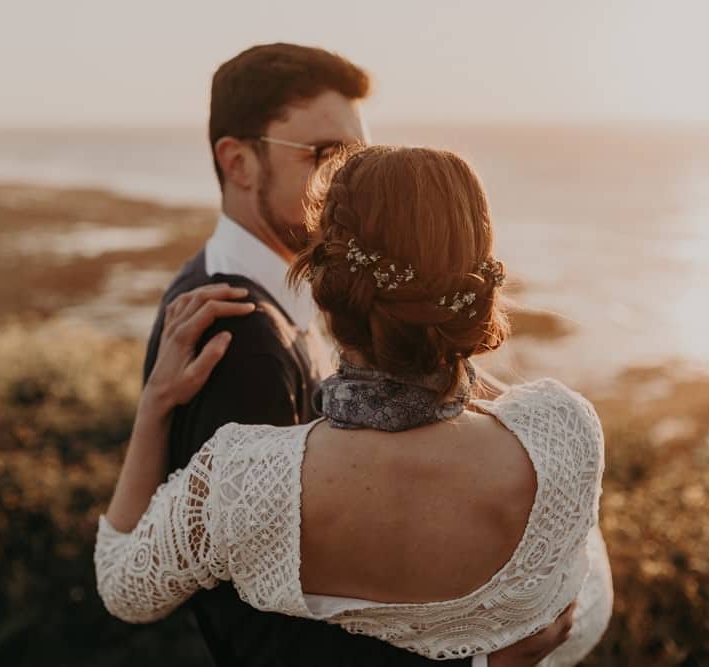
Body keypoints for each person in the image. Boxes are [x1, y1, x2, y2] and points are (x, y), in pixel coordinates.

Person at [138, 43, 573, 666]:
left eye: (355, 155)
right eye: (324, 155)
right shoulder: (235, 337)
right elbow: (245, 620)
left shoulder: (301, 297)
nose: (344, 178)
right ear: (239, 162)